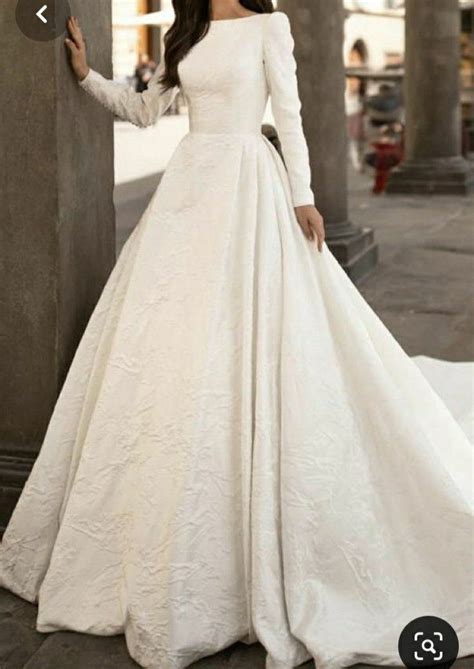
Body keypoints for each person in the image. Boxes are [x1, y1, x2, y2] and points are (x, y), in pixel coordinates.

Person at [0, 2, 472, 669]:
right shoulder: (185, 32)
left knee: (249, 344)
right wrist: (85, 75)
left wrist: (304, 195)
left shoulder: (268, 27)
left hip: (251, 188)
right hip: (188, 195)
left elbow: (293, 112)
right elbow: (144, 111)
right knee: (172, 351)